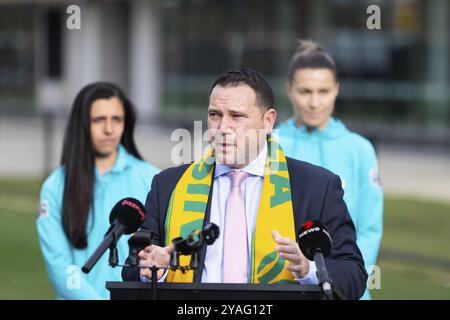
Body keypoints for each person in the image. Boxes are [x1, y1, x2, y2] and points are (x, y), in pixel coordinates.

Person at [122, 69, 367, 300]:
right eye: (214, 115)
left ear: (268, 121)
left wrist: (309, 269)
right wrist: (157, 269)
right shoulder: (167, 186)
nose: (223, 128)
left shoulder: (317, 187)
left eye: (237, 116)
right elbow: (131, 271)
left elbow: (353, 276)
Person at [277, 40, 383, 300]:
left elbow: (369, 229)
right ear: (289, 90)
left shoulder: (360, 149)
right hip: (284, 285)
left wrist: (343, 280)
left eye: (323, 91)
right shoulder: (271, 143)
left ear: (336, 90)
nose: (314, 102)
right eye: (305, 91)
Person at [36, 82, 159, 299]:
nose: (109, 129)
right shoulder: (55, 187)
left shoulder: (153, 180)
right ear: (82, 124)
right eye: (98, 120)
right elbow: (60, 268)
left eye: (116, 119)